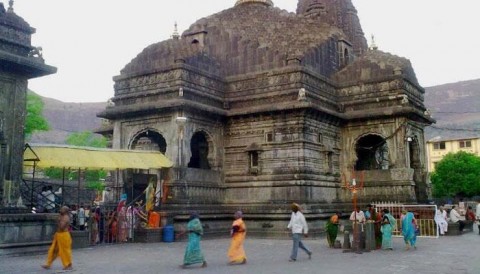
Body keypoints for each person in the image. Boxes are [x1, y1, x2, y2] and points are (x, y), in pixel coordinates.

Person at [41, 206, 73, 270]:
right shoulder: (61, 217)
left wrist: (58, 220)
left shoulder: (66, 217)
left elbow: (61, 227)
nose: (60, 210)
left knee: (65, 251)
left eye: (62, 209)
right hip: (58, 235)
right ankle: (48, 264)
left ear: (66, 211)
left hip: (64, 235)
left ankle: (68, 264)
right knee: (53, 250)